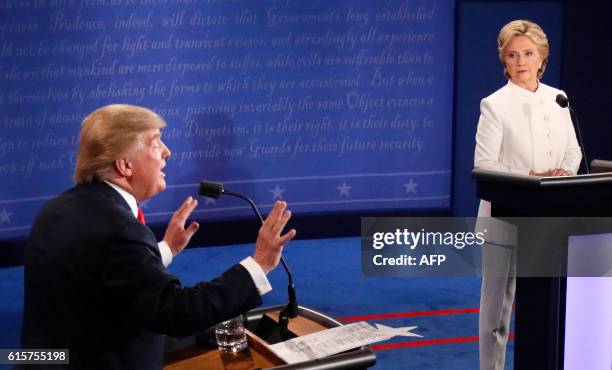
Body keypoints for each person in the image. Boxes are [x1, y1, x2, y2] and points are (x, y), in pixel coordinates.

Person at [21, 104, 297, 370]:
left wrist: (165, 249)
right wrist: (259, 264)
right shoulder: (116, 227)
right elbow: (175, 313)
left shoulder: (57, 208)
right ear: (125, 165)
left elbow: (105, 277)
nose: (167, 152)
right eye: (155, 143)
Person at [474, 20, 581, 370]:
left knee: (547, 307)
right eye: (513, 55)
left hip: (550, 218)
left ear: (542, 58)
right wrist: (532, 178)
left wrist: (562, 174)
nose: (521, 61)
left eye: (528, 53)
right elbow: (485, 165)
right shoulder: (494, 104)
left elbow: (573, 152)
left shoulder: (558, 98)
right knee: (497, 314)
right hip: (505, 217)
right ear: (504, 61)